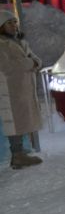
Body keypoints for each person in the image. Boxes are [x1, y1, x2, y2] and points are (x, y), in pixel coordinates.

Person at [0, 10, 43, 169]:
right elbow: (7, 66)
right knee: (14, 121)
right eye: (9, 23)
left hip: (23, 87)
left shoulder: (20, 42)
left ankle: (19, 154)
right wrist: (30, 63)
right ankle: (16, 155)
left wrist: (34, 62)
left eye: (14, 22)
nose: (14, 25)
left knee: (22, 120)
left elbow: (36, 59)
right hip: (10, 88)